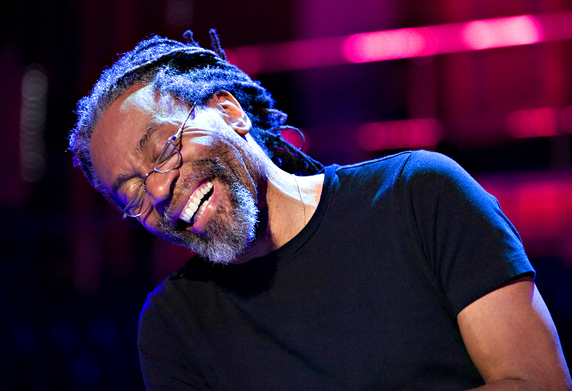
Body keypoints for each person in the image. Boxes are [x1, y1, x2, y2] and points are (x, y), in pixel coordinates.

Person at [69, 30, 571, 390]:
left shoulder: (418, 194)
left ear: (230, 112)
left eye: (163, 149)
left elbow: (536, 381)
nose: (156, 191)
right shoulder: (174, 326)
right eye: (131, 194)